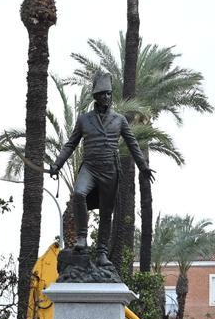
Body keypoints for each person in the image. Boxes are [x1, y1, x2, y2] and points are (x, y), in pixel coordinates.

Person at [49, 72, 155, 267]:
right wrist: (57, 164)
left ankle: (102, 253)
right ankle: (82, 237)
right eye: (103, 94)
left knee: (107, 213)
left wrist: (143, 167)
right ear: (95, 96)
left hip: (109, 171)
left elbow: (132, 144)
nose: (106, 97)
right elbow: (70, 145)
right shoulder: (84, 120)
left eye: (109, 93)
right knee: (79, 194)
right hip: (89, 167)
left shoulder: (119, 120)